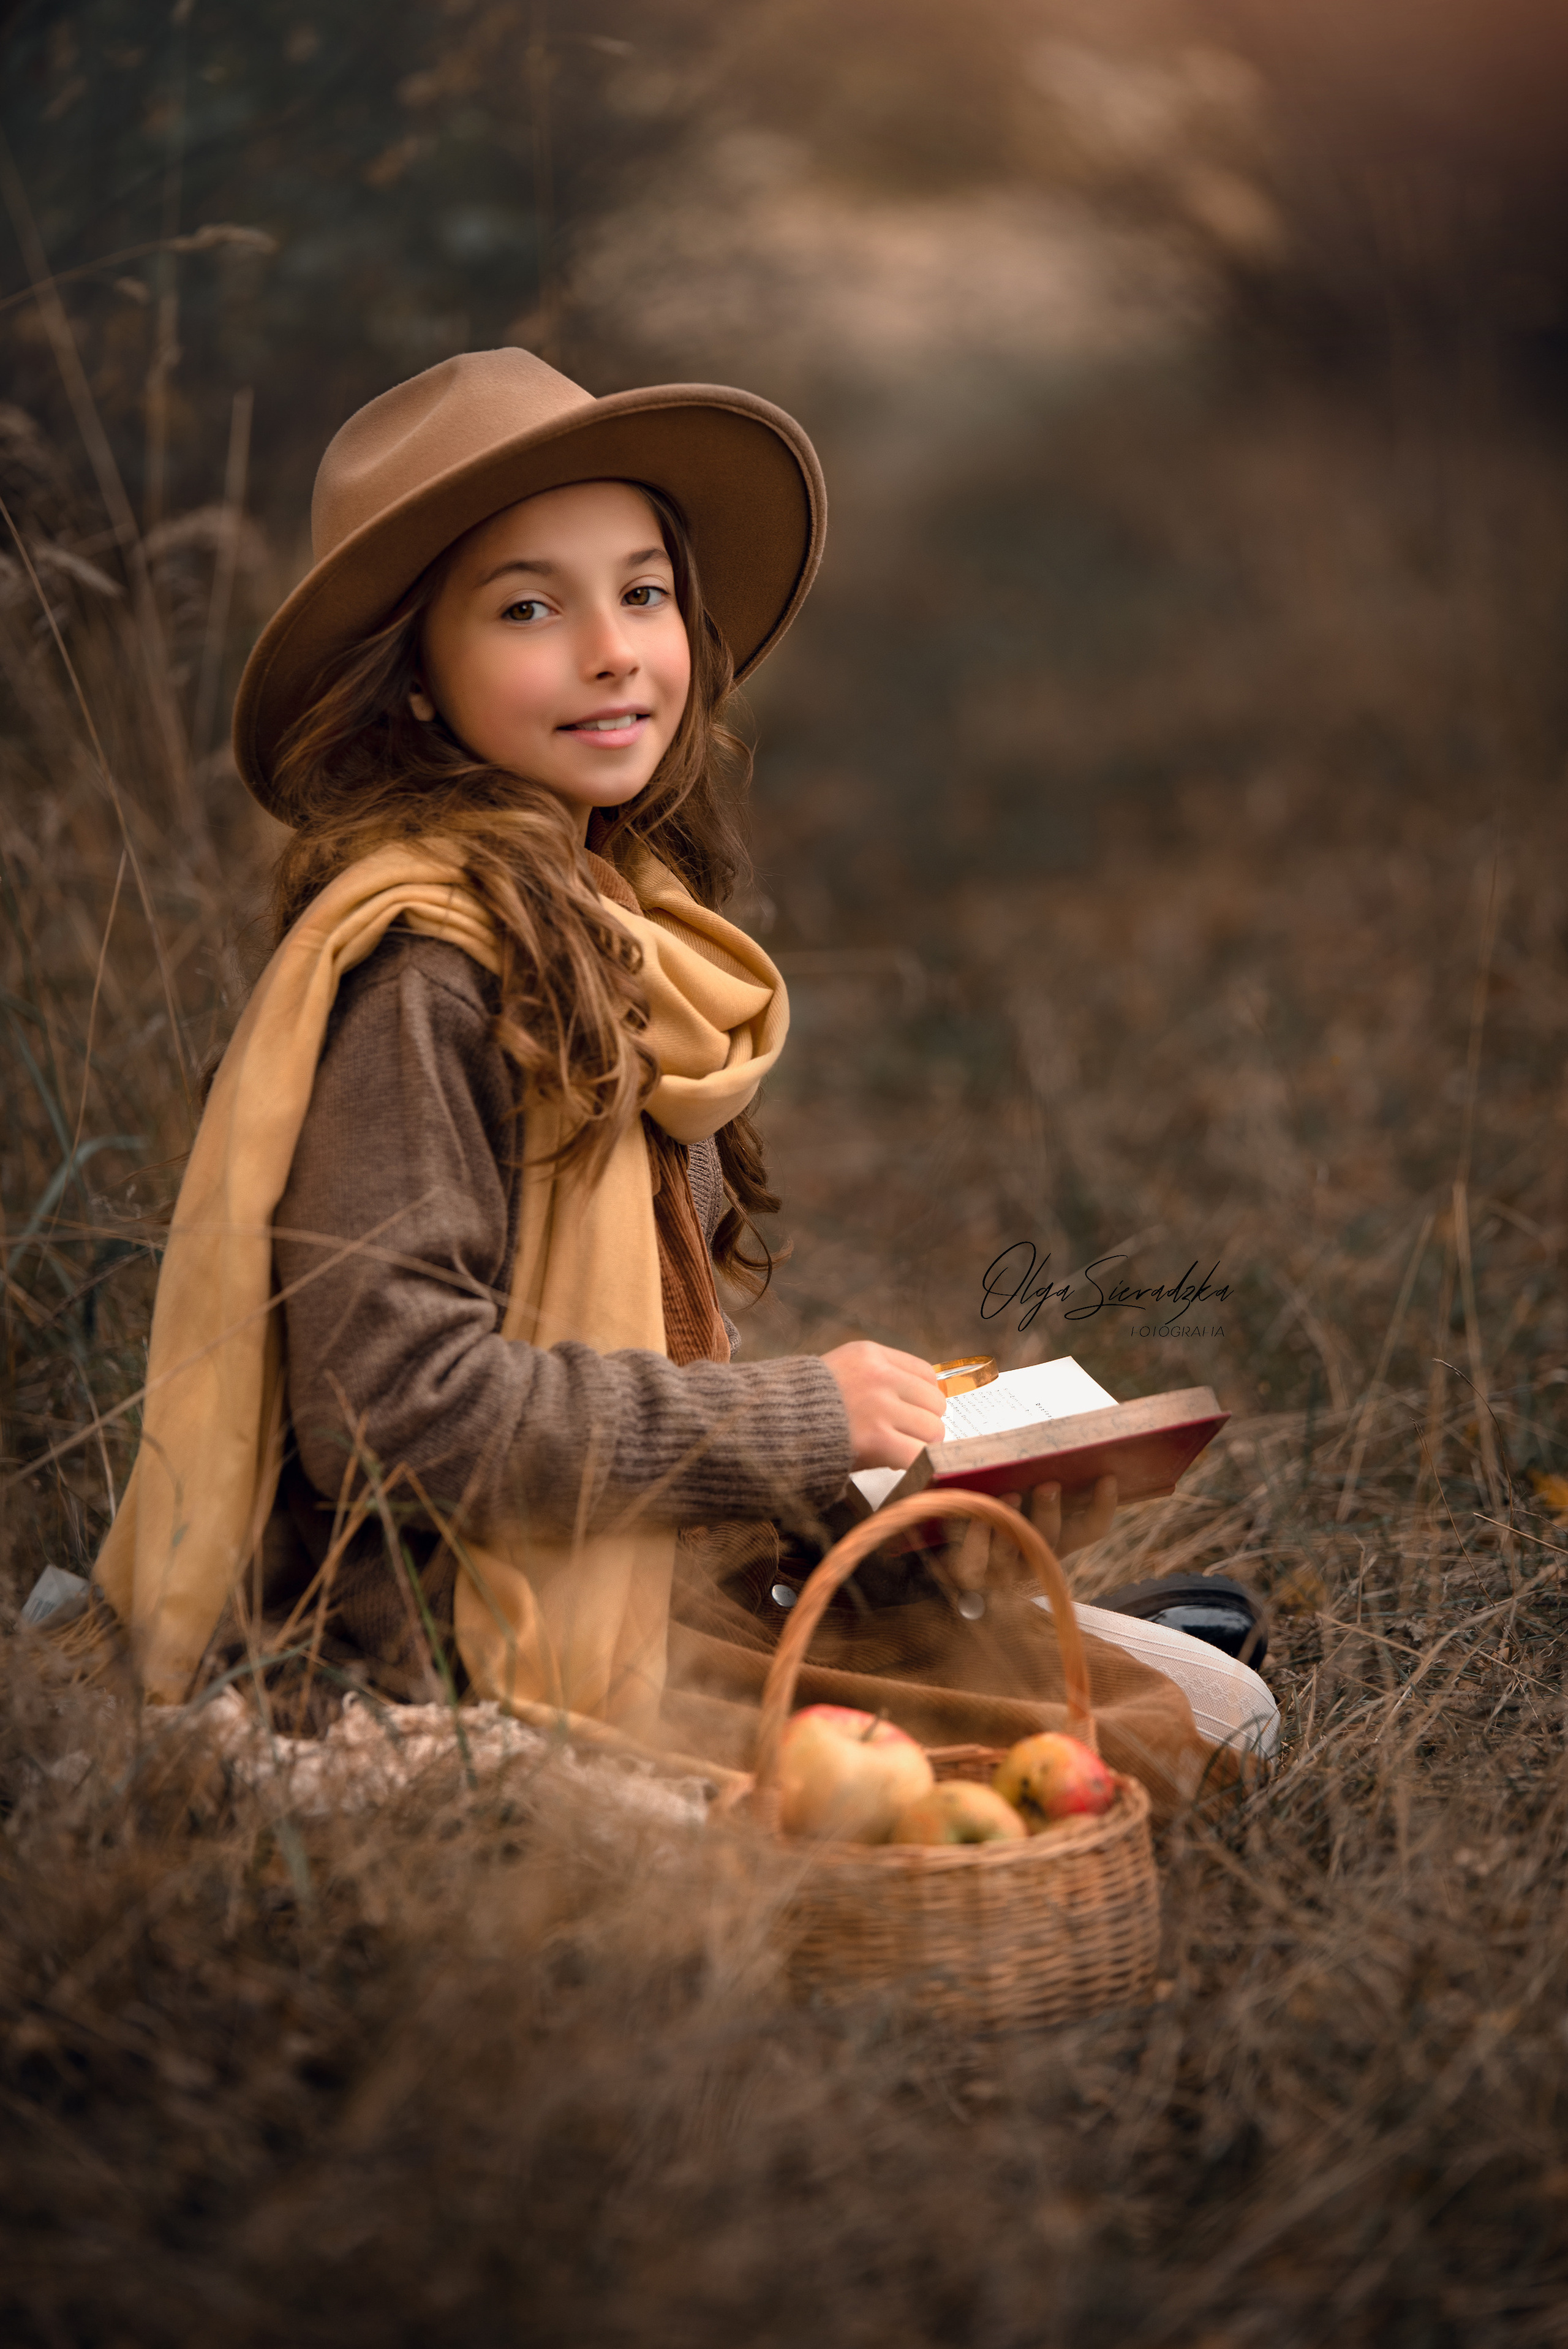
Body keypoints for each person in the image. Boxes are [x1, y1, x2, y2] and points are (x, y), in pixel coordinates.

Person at [90, 347, 1240, 1810]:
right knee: (1128, 1744)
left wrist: (906, 1500)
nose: (612, 650)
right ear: (416, 682)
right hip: (457, 1634)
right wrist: (800, 1420)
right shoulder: (426, 971)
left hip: (641, 1561)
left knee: (1210, 1701)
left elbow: (649, 1376)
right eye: (527, 608)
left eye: (640, 593)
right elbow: (392, 1412)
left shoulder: (614, 925)